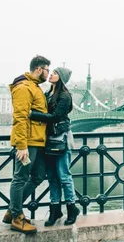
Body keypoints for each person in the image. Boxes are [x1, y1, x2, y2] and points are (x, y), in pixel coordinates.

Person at [3, 55, 50, 234]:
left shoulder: (34, 87)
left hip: (37, 141)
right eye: (46, 70)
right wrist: (21, 145)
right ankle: (17, 217)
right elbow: (20, 117)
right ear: (39, 69)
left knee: (38, 175)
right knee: (20, 178)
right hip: (28, 143)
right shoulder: (24, 87)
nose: (47, 73)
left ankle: (12, 210)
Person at [29, 67, 80, 226]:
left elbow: (56, 117)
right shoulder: (47, 94)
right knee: (52, 177)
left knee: (64, 176)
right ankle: (55, 210)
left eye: (55, 73)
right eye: (52, 72)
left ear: (62, 78)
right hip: (47, 139)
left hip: (60, 139)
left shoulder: (65, 96)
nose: (51, 74)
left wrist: (33, 114)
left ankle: (72, 208)